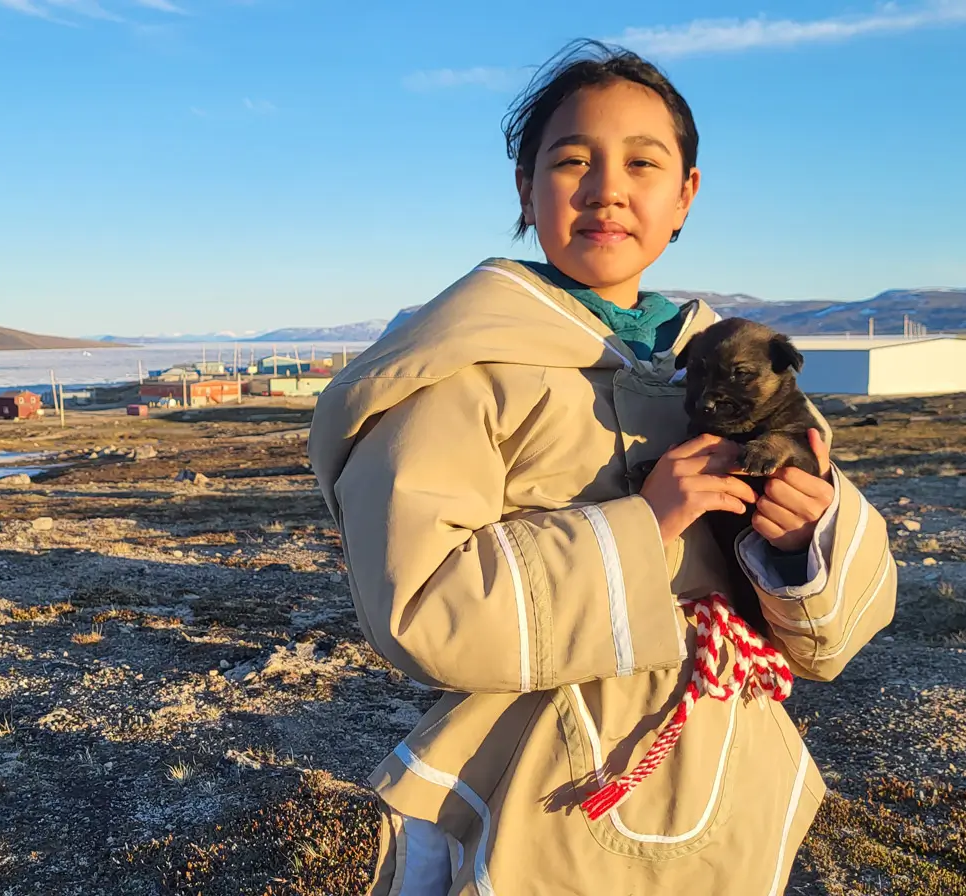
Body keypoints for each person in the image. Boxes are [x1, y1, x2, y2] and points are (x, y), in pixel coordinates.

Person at [309, 39, 896, 896]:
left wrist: (808, 540)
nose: (606, 188)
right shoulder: (460, 367)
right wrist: (643, 525)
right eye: (572, 159)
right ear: (524, 187)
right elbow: (420, 604)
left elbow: (832, 636)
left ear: (686, 194)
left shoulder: (725, 364)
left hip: (734, 767)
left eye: (643, 162)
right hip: (546, 784)